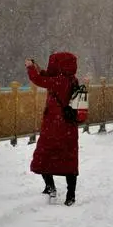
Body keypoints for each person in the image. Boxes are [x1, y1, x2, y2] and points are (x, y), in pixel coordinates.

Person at [25, 52, 80, 206]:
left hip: (54, 129)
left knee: (44, 157)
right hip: (69, 128)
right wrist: (38, 68)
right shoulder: (71, 79)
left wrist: (30, 68)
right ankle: (70, 195)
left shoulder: (60, 81)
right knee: (69, 160)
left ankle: (50, 187)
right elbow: (48, 78)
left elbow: (39, 80)